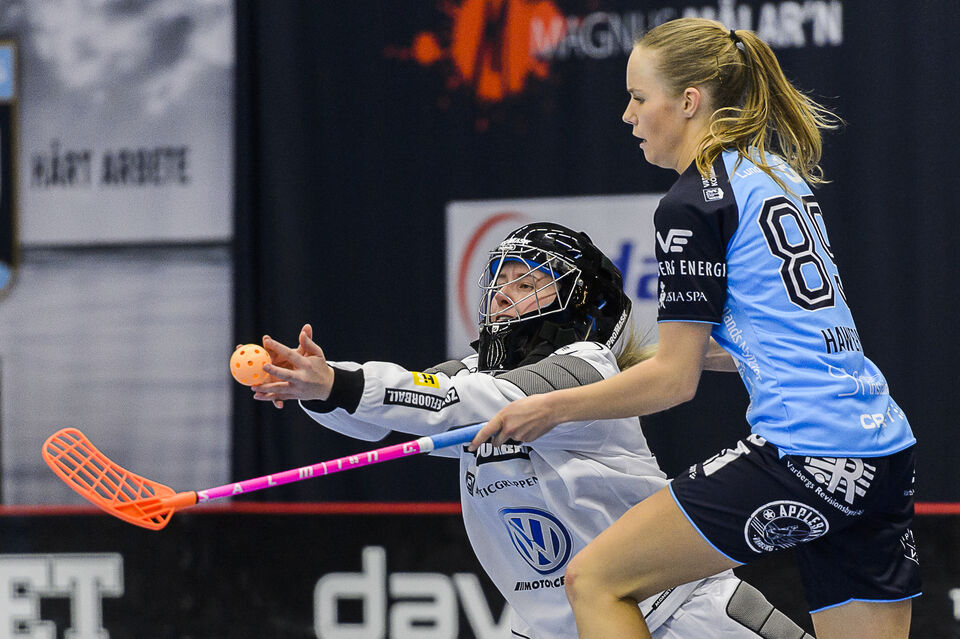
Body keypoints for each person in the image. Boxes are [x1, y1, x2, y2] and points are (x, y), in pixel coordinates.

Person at [468, 18, 920, 639]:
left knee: (594, 581)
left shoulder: (690, 205)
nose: (627, 115)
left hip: (808, 451)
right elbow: (785, 339)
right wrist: (648, 359)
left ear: (688, 102)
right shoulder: (773, 174)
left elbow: (672, 382)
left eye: (637, 97)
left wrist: (547, 408)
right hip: (882, 449)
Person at [251, 222, 814, 639]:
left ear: (582, 306)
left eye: (528, 282)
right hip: (553, 629)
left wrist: (342, 383)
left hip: (683, 615)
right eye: (500, 277)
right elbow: (392, 414)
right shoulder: (472, 373)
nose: (502, 291)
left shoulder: (590, 369)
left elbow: (464, 403)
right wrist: (319, 390)